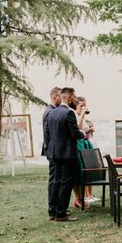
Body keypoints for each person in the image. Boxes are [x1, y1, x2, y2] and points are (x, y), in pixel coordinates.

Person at [44, 87, 85, 222]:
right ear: (68, 97)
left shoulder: (52, 113)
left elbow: (48, 135)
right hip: (67, 154)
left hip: (55, 154)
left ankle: (53, 212)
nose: (75, 99)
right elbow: (74, 134)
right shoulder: (68, 113)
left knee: (57, 182)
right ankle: (61, 213)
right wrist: (83, 134)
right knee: (66, 183)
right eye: (74, 97)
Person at [42, 86, 61, 221]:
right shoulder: (49, 112)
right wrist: (51, 151)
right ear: (54, 97)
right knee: (54, 180)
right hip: (53, 152)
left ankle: (56, 207)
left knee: (56, 179)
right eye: (60, 96)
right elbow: (47, 134)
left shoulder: (53, 111)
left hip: (54, 151)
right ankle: (52, 209)